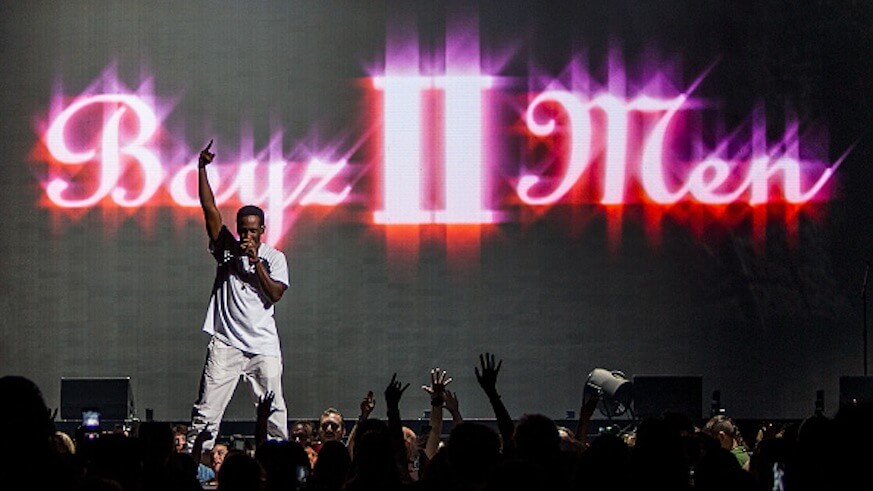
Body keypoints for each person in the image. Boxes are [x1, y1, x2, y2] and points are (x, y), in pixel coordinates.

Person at [188, 140, 291, 450]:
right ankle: (196, 469)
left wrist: (255, 261)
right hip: (227, 343)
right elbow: (210, 211)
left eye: (252, 231)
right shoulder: (226, 251)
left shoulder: (274, 258)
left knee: (274, 411)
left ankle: (279, 467)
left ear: (262, 231)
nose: (247, 236)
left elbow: (274, 294)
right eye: (243, 230)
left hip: (262, 344)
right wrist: (202, 168)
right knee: (207, 412)